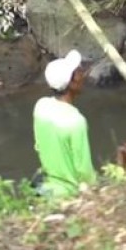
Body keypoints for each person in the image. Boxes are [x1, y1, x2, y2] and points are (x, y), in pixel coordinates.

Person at [32, 49, 97, 197]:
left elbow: (39, 146)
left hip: (45, 188)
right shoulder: (76, 121)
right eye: (79, 72)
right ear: (72, 82)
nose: (83, 75)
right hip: (67, 193)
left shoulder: (41, 106)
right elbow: (84, 171)